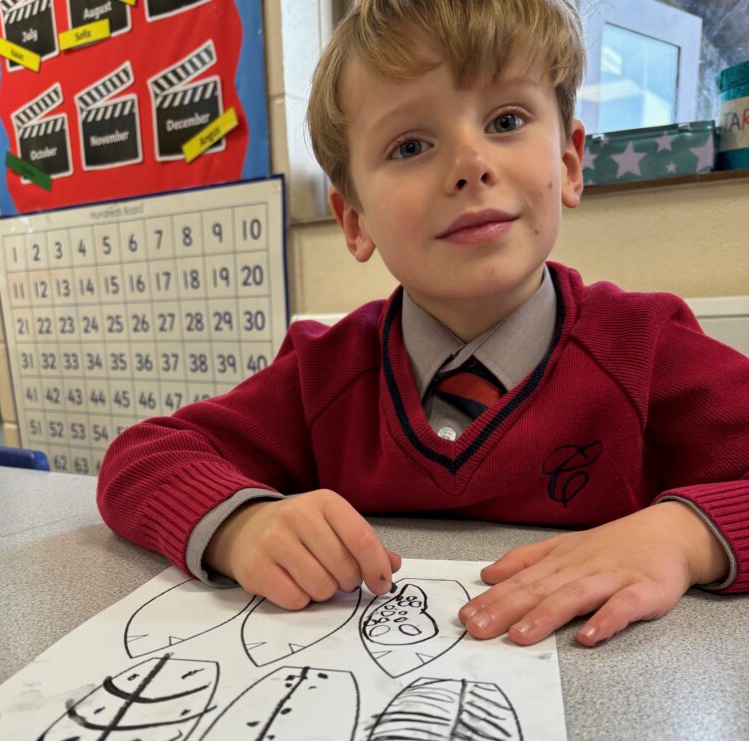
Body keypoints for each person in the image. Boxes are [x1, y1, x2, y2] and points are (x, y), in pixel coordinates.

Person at [97, 0, 749, 647]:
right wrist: (244, 526)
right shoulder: (323, 373)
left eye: (507, 120)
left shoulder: (646, 345)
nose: (470, 164)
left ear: (570, 165)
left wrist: (685, 538)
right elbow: (142, 459)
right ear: (354, 221)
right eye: (410, 145)